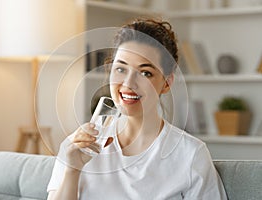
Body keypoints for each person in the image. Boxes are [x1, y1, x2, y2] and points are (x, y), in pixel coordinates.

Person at [47, 18, 227, 200]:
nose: (128, 83)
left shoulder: (190, 154)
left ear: (166, 83)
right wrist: (72, 170)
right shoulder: (78, 146)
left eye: (145, 73)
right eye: (120, 69)